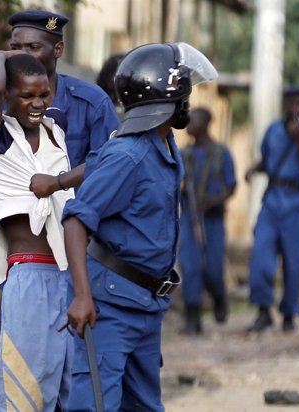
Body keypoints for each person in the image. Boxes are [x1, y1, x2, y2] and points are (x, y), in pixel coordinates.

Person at [61, 42, 218, 411]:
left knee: (145, 406)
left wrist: (55, 181)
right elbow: (76, 220)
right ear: (165, 97)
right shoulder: (129, 155)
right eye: (184, 91)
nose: (188, 100)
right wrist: (82, 297)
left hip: (146, 303)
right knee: (95, 405)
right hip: (111, 305)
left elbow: (95, 165)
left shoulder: (163, 145)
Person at [0, 51, 73, 411]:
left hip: (69, 273)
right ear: (8, 97)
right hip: (29, 274)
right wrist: (4, 52)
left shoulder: (55, 132)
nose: (37, 103)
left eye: (43, 94)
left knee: (68, 384)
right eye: (26, 95)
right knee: (22, 385)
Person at [0, 10, 120, 209]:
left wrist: (58, 184)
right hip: (22, 228)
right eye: (15, 48)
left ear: (58, 49)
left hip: (79, 227)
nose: (22, 55)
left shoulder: (92, 102)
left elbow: (111, 166)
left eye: (33, 47)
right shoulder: (5, 102)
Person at [245, 85, 299, 333]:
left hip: (298, 203)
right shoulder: (273, 130)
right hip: (272, 201)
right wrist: (254, 169)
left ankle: (289, 313)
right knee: (260, 257)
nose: (294, 107)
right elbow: (268, 160)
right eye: (290, 102)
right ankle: (263, 311)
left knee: (293, 264)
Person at [178, 107, 237, 336]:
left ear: (205, 123)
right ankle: (193, 317)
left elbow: (231, 185)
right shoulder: (184, 154)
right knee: (190, 266)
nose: (189, 124)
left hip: (213, 218)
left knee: (213, 266)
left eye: (193, 120)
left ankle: (219, 296)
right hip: (188, 215)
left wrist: (212, 202)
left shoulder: (221, 153)